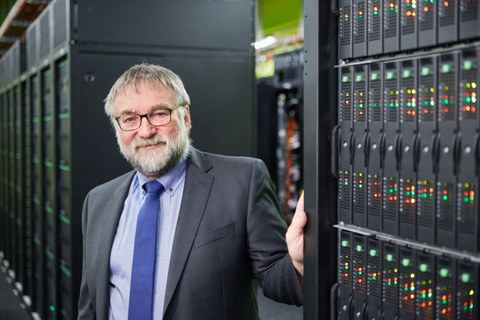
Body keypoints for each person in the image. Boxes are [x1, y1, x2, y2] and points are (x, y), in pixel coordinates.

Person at [77, 63, 307, 320]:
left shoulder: (241, 181)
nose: (146, 131)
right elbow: (91, 304)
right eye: (129, 119)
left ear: (185, 117)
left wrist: (299, 263)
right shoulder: (97, 202)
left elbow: (277, 278)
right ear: (117, 128)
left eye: (159, 113)